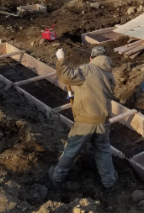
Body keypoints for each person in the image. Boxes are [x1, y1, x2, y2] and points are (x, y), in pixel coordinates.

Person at [49, 45, 118, 190]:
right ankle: (109, 182)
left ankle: (57, 177)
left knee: (71, 150)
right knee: (103, 151)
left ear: (91, 58)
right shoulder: (109, 73)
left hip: (85, 121)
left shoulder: (87, 69)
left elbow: (66, 76)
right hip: (103, 121)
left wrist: (61, 59)